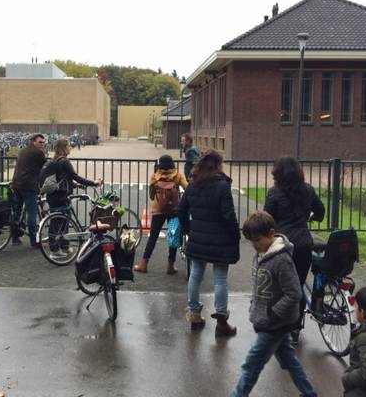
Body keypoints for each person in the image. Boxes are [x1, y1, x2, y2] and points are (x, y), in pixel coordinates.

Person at [232, 211, 317, 397]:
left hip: (274, 324)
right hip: (267, 319)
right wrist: (255, 306)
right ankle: (309, 393)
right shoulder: (260, 254)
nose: (254, 245)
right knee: (289, 360)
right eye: (251, 241)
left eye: (257, 240)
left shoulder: (282, 260)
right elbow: (261, 286)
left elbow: (294, 292)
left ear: (271, 234)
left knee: (251, 365)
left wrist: (273, 314)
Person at [178, 149, 240, 337]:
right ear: (218, 165)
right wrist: (234, 234)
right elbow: (228, 215)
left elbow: (181, 210)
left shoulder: (192, 185)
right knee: (220, 279)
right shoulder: (222, 186)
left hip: (198, 238)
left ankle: (194, 314)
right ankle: (221, 320)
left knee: (195, 275)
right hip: (220, 239)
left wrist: (189, 230)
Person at [264, 156, 325, 344]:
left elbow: (267, 219)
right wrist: (308, 219)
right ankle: (295, 328)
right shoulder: (308, 190)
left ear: (277, 174)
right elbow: (321, 212)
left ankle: (279, 323)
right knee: (297, 285)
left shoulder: (274, 193)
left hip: (282, 244)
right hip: (304, 243)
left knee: (281, 286)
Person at [133, 154, 188, 274]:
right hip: (174, 210)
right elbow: (187, 188)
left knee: (153, 236)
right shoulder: (177, 176)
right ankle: (170, 266)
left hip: (158, 210)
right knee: (173, 236)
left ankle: (144, 264)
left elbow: (152, 196)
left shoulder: (154, 177)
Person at [10, 133, 47, 247]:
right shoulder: (38, 153)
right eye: (40, 142)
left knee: (17, 212)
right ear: (33, 141)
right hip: (29, 186)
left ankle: (15, 238)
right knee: (32, 214)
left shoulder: (23, 150)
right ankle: (34, 241)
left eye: (43, 142)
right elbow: (44, 167)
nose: (42, 144)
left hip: (16, 184)